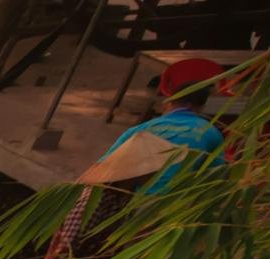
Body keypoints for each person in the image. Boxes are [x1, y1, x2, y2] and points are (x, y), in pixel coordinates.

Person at [93, 57, 227, 197]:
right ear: (201, 107)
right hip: (183, 203)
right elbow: (217, 176)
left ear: (168, 103)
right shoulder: (211, 132)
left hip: (140, 201)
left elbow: (102, 170)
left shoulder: (139, 130)